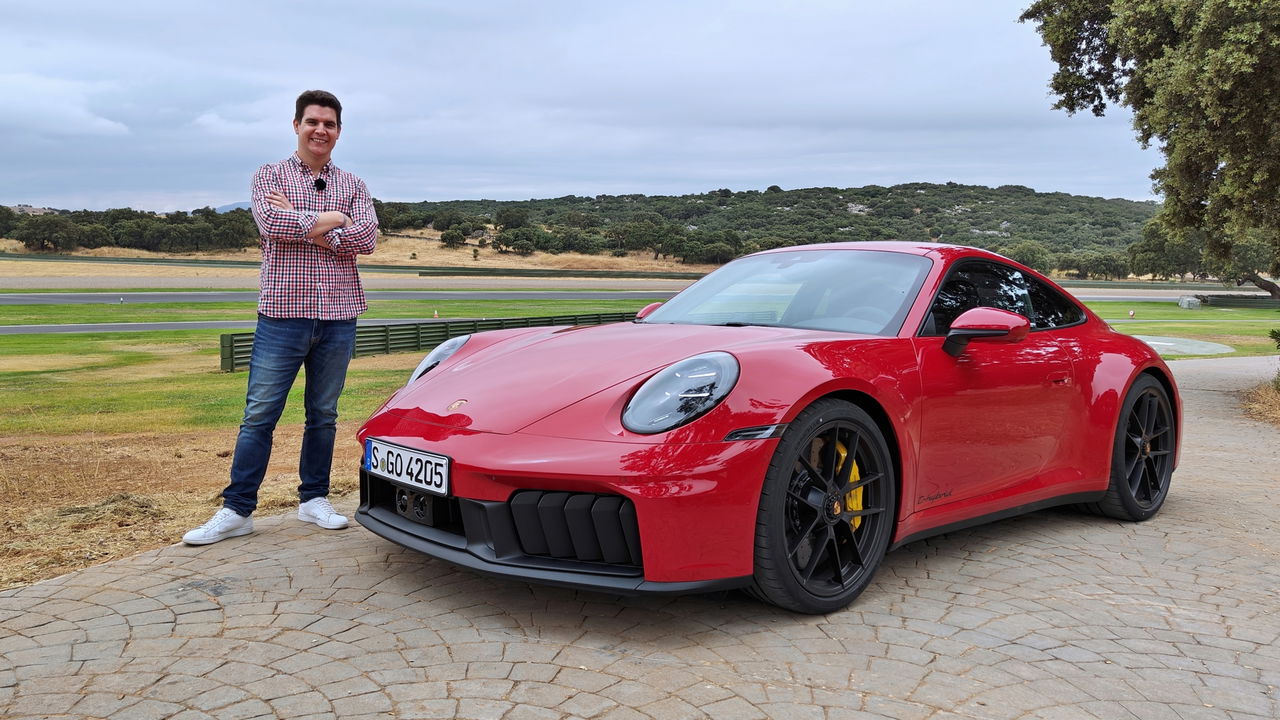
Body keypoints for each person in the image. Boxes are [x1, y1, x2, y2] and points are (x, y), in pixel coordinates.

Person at [184, 90, 379, 545]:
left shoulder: (354, 184)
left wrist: (308, 224)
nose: (320, 130)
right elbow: (273, 226)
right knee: (259, 415)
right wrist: (333, 220)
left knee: (323, 414)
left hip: (337, 315)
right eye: (313, 121)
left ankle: (313, 499)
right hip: (283, 315)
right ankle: (237, 509)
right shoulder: (269, 175)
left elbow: (367, 238)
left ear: (338, 131)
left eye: (329, 124)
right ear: (296, 125)